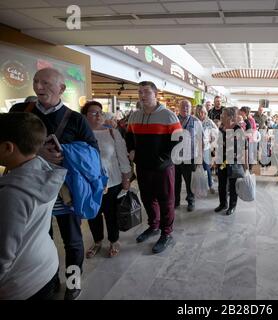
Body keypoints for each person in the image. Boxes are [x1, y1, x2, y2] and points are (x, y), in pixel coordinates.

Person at [10, 67, 98, 300]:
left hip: (64, 192)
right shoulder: (19, 112)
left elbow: (93, 154)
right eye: (36, 81)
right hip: (28, 191)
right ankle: (48, 281)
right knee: (38, 242)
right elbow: (6, 144)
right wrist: (39, 152)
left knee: (73, 241)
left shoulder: (76, 119)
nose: (39, 87)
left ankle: (72, 283)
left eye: (46, 83)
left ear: (61, 88)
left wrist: (64, 153)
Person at [0, 112, 66, 300]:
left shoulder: (12, 193)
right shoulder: (41, 169)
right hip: (45, 263)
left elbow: (4, 253)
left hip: (20, 282)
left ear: (7, 147)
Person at [126, 81, 182, 254]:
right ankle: (154, 226)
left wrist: (162, 159)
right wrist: (132, 150)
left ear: (155, 94)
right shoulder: (134, 116)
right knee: (147, 199)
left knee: (166, 201)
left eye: (146, 92)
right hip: (142, 166)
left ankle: (167, 233)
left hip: (162, 168)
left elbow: (179, 141)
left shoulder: (168, 115)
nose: (142, 95)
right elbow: (128, 137)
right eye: (140, 92)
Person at [81, 101, 132, 259]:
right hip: (90, 183)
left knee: (111, 214)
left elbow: (122, 157)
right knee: (93, 214)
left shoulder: (112, 132)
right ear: (85, 116)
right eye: (93, 112)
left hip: (113, 180)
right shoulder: (80, 134)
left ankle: (114, 241)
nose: (98, 115)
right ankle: (97, 241)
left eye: (100, 112)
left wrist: (126, 178)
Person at [215, 107, 248, 216]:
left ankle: (232, 206)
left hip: (234, 162)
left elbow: (244, 149)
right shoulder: (221, 128)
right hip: (222, 161)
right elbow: (219, 145)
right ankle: (223, 204)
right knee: (221, 184)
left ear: (230, 117)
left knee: (233, 186)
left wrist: (246, 166)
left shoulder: (238, 130)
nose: (221, 117)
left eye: (223, 115)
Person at [175, 100, 202, 212]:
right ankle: (175, 201)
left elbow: (200, 140)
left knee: (189, 182)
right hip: (175, 157)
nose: (185, 108)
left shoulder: (196, 121)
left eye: (188, 107)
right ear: (179, 107)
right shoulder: (173, 120)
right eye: (183, 106)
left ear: (191, 109)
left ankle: (191, 201)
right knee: (175, 181)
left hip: (189, 157)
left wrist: (199, 158)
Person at [195, 104, 219, 194]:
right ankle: (198, 185)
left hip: (206, 148)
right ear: (197, 112)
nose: (202, 114)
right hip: (195, 148)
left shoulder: (208, 121)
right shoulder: (194, 120)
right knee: (196, 167)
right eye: (200, 112)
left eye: (204, 112)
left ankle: (210, 185)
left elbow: (216, 131)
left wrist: (212, 139)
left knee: (206, 167)